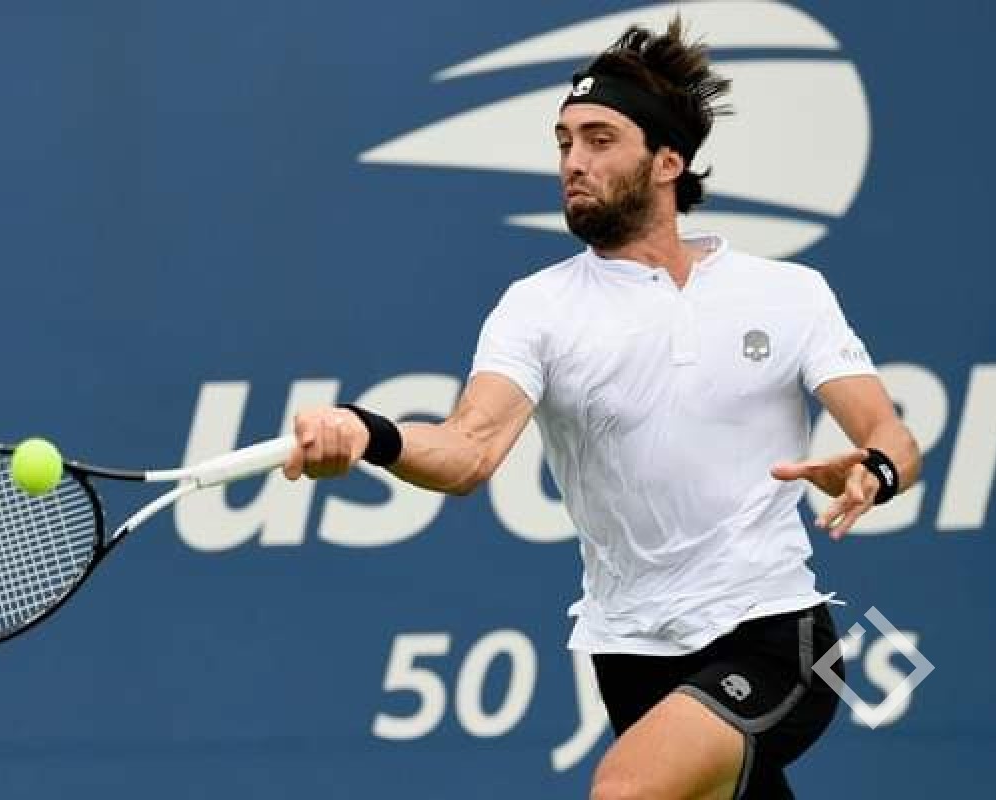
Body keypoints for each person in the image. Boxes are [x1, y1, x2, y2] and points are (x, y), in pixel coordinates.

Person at [284, 16, 920, 800]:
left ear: (667, 162)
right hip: (629, 652)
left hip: (775, 631)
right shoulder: (537, 308)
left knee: (626, 790)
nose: (573, 163)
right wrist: (369, 431)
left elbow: (889, 432)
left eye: (598, 139)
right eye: (563, 143)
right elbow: (468, 450)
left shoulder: (789, 294)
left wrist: (876, 470)